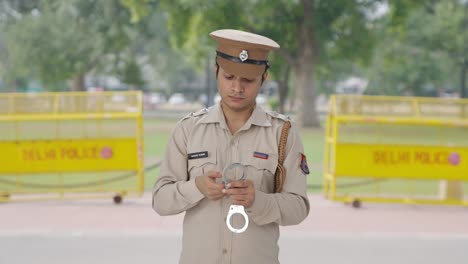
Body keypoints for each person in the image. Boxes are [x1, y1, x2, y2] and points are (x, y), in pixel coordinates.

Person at [152, 29, 310, 264]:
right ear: (216, 71)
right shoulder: (188, 129)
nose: (237, 88)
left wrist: (258, 200)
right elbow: (160, 201)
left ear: (264, 78)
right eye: (229, 77)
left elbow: (298, 207)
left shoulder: (282, 132)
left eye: (247, 80)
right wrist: (197, 187)